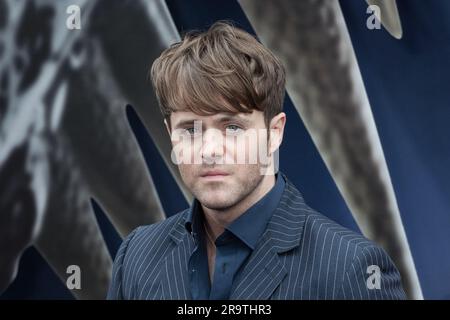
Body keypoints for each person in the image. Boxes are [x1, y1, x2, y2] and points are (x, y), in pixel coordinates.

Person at [107, 21, 405, 300]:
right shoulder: (136, 255)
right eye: (191, 129)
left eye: (233, 127)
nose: (210, 149)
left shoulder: (352, 268)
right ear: (170, 133)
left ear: (274, 134)